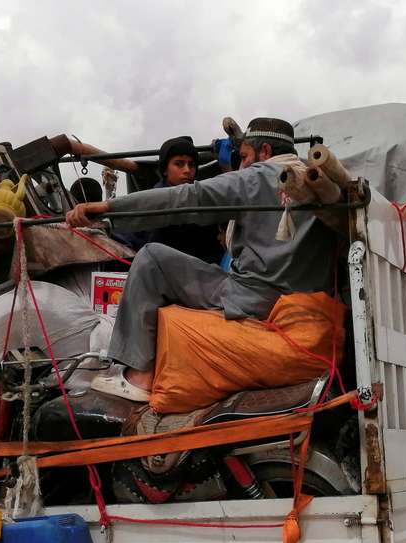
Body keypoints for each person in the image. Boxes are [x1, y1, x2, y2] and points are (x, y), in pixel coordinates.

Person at [66, 117, 339, 401]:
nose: (242, 165)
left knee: (152, 259)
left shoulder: (256, 178)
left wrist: (111, 208)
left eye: (244, 156)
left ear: (265, 151)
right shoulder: (320, 183)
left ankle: (140, 377)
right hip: (307, 301)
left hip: (254, 298)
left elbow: (189, 198)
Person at [68, 135, 224, 264]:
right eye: (179, 164)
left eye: (191, 165)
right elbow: (130, 236)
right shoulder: (148, 203)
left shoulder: (205, 200)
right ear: (164, 169)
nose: (187, 170)